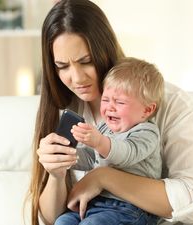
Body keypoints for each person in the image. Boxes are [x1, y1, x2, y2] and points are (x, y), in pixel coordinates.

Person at [28, 1, 193, 225]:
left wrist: (104, 178)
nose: (76, 79)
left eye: (86, 61)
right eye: (62, 66)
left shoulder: (168, 103)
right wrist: (56, 173)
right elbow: (49, 219)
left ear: (105, 49)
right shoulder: (63, 109)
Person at [54, 57, 164, 225]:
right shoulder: (105, 128)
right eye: (105, 100)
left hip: (131, 208)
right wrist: (68, 155)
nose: (110, 107)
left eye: (120, 102)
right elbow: (93, 158)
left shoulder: (147, 132)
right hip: (96, 203)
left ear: (147, 110)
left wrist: (99, 142)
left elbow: (126, 153)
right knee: (63, 222)